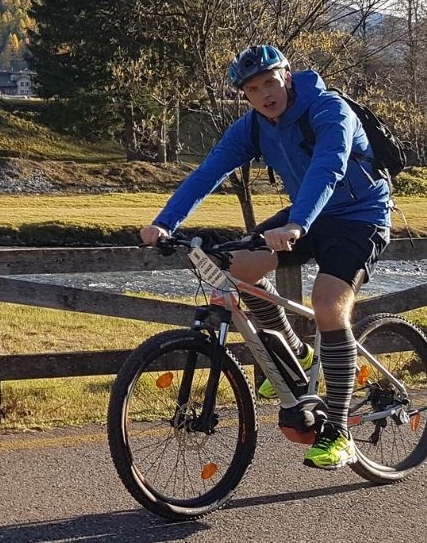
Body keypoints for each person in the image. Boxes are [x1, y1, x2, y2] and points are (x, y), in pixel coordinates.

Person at [138, 45, 393, 470]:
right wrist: (165, 223)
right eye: (253, 88)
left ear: (288, 77)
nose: (264, 94)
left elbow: (327, 169)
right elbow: (208, 173)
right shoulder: (253, 127)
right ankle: (295, 351)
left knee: (328, 305)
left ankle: (339, 433)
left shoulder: (329, 110)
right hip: (305, 215)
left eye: (270, 82)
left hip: (359, 216)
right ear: (245, 95)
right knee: (234, 269)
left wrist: (297, 224)